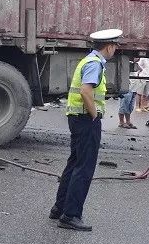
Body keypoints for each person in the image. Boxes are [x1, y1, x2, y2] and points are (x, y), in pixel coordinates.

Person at [51, 28, 121, 232]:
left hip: (76, 118)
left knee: (74, 163)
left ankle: (59, 208)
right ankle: (71, 215)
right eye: (115, 46)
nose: (115, 49)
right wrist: (94, 115)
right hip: (85, 120)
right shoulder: (95, 64)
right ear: (109, 46)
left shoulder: (88, 60)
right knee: (84, 167)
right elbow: (85, 91)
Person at [118, 61, 137, 129]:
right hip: (127, 88)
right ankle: (121, 122)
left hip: (134, 89)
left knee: (130, 107)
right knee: (123, 106)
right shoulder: (128, 63)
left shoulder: (136, 65)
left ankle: (128, 121)